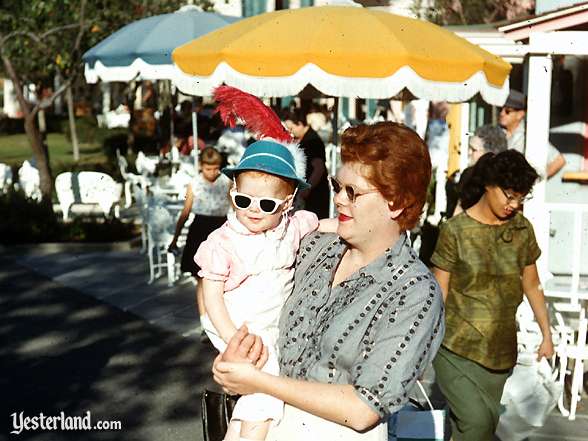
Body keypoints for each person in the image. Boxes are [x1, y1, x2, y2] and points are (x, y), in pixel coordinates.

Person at [211, 121, 445, 441]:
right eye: (337, 186)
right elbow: (224, 280)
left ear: (399, 202)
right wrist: (234, 357)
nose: (338, 200)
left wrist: (257, 382)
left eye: (353, 192)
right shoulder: (313, 246)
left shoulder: (415, 292)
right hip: (269, 424)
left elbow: (365, 409)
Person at [195, 139, 333, 441]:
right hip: (239, 325)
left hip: (267, 327)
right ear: (233, 194)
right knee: (265, 391)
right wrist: (233, 337)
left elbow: (323, 224)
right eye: (244, 201)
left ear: (286, 204)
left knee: (253, 395)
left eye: (266, 204)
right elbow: (211, 295)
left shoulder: (292, 226)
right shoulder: (225, 241)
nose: (253, 210)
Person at [430, 150, 554, 441]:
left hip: (500, 353)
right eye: (509, 195)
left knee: (477, 430)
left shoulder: (522, 230)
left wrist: (547, 335)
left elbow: (532, 284)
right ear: (489, 184)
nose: (514, 204)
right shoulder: (455, 231)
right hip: (455, 348)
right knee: (476, 423)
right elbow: (439, 289)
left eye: (521, 197)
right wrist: (425, 339)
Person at [168, 147, 231, 334]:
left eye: (216, 168)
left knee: (223, 278)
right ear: (200, 166)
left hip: (220, 229)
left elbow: (235, 206)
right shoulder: (193, 184)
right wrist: (175, 238)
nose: (212, 173)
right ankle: (205, 320)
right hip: (199, 230)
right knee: (202, 279)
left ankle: (220, 319)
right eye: (208, 168)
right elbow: (186, 211)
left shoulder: (226, 181)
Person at [500, 89, 566, 179]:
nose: (502, 113)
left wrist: (534, 180)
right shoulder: (496, 132)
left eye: (507, 111)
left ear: (520, 114)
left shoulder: (530, 135)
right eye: (500, 109)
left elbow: (559, 160)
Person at [446, 124, 508, 217]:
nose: (469, 153)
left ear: (490, 154)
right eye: (469, 148)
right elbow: (458, 211)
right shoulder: (467, 174)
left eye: (474, 150)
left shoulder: (501, 182)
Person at [282, 108, 330, 219]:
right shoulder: (305, 139)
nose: (290, 131)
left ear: (300, 124)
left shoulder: (312, 141)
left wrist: (307, 189)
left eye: (291, 128)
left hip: (315, 195)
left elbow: (319, 168)